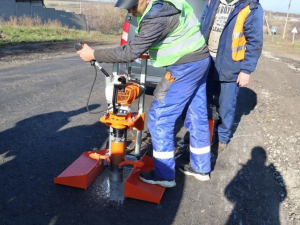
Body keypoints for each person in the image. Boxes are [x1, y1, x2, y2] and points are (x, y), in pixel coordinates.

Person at [77, 0, 212, 188]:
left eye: (133, 6)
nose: (131, 11)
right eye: (128, 8)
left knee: (159, 117)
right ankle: (201, 168)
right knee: (196, 114)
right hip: (200, 59)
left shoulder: (157, 15)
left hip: (183, 66)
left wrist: (94, 54)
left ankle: (164, 175)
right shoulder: (165, 5)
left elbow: (129, 52)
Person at [200, 0, 263, 152]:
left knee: (225, 107)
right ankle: (201, 136)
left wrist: (246, 70)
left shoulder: (251, 7)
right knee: (201, 103)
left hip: (230, 65)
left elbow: (255, 42)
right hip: (205, 60)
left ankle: (221, 139)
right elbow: (201, 25)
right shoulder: (212, 1)